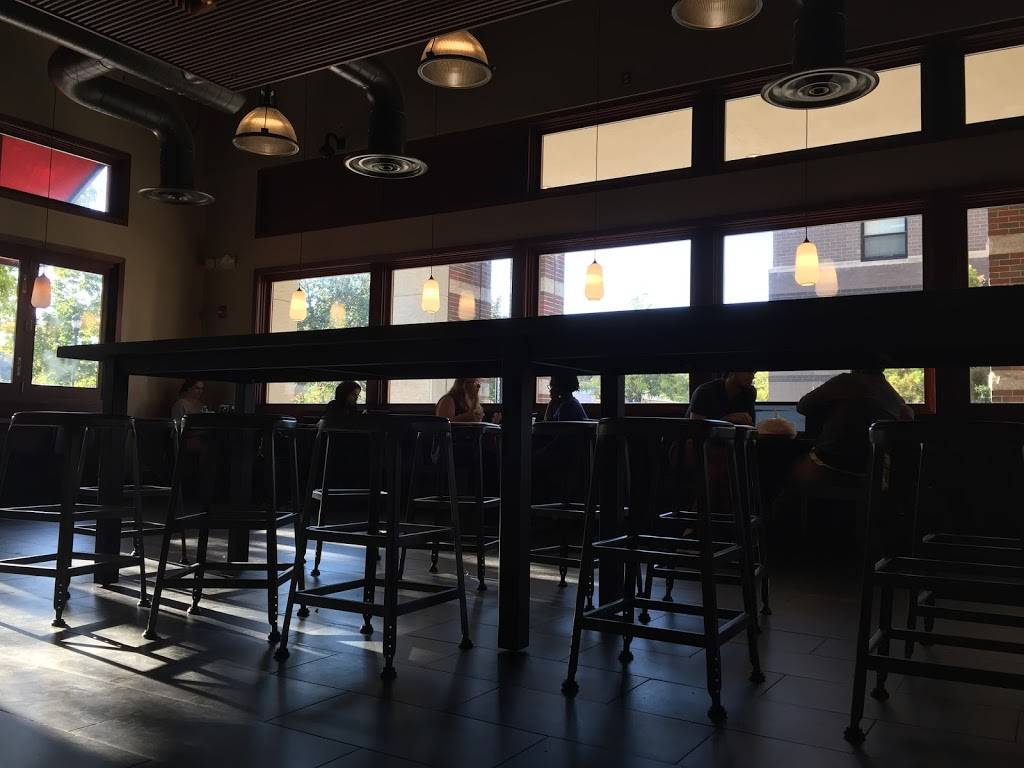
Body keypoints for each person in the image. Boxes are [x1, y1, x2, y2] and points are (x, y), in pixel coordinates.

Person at [796, 368, 914, 477]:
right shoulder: (894, 396)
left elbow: (803, 406)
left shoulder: (846, 381)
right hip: (871, 472)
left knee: (792, 468)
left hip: (830, 464)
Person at [687, 371, 757, 425]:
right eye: (748, 371)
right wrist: (727, 419)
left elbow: (750, 425)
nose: (752, 376)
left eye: (754, 372)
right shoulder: (704, 392)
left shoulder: (749, 392)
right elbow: (696, 428)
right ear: (731, 372)